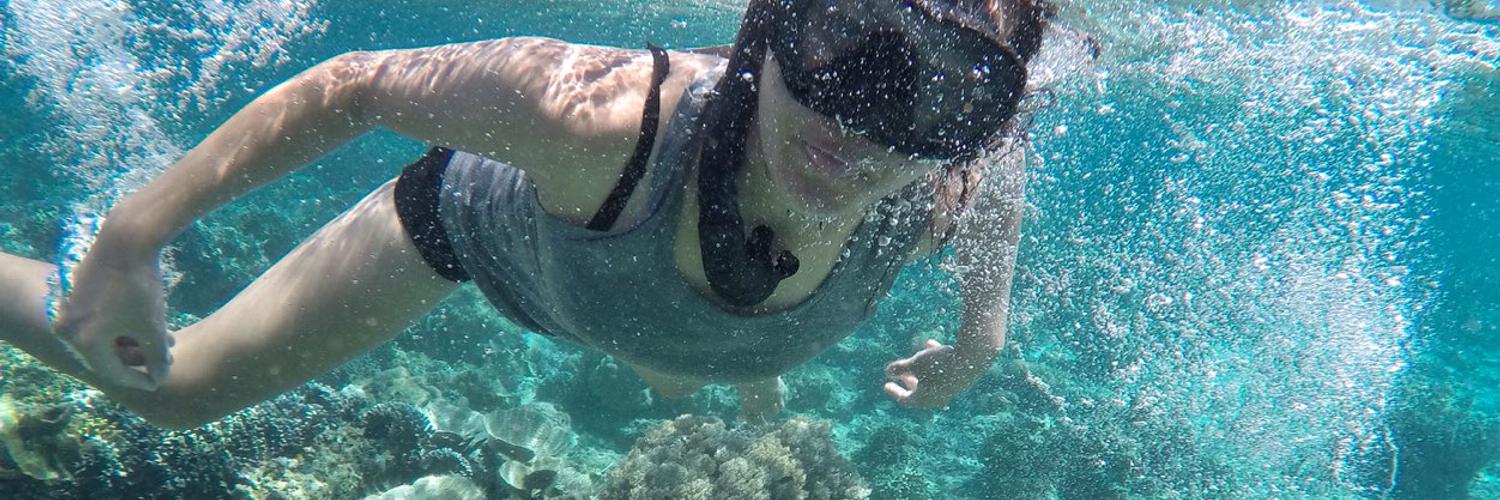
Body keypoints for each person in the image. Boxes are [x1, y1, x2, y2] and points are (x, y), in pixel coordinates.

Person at [0, 0, 1052, 429]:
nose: (858, 122)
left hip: (661, 313)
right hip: (482, 238)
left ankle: (734, 366)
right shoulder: (602, 123)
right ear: (773, 21)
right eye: (843, 36)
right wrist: (133, 235)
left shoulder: (942, 188)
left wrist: (979, 342)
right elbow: (355, 85)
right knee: (173, 390)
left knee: (688, 368)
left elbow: (996, 189)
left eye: (944, 90)